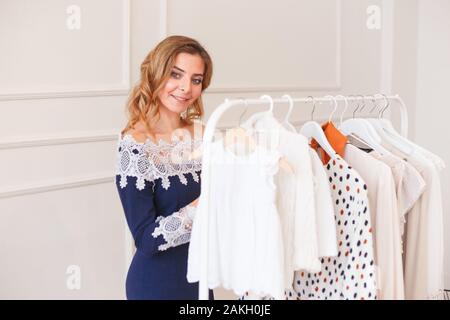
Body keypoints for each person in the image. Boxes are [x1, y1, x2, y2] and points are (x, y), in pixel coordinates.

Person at [115, 35, 213, 299]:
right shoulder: (135, 145)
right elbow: (146, 239)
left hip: (201, 280)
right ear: (155, 74)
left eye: (196, 80)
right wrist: (199, 208)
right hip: (156, 285)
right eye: (175, 75)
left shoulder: (205, 134)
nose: (186, 88)